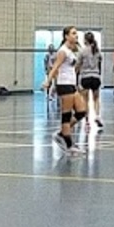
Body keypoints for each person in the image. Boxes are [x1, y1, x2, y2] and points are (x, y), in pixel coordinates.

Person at [42, 26, 87, 154]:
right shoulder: (62, 51)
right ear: (66, 36)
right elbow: (55, 67)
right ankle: (69, 145)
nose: (76, 35)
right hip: (64, 85)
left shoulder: (71, 51)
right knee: (66, 116)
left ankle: (62, 133)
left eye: (76, 33)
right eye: (73, 33)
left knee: (81, 112)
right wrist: (48, 81)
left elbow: (73, 68)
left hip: (72, 84)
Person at [79, 32, 104, 129]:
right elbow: (100, 63)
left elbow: (78, 64)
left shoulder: (82, 51)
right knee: (96, 99)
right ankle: (97, 116)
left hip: (85, 77)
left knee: (85, 100)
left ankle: (87, 122)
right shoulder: (97, 51)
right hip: (95, 77)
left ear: (85, 40)